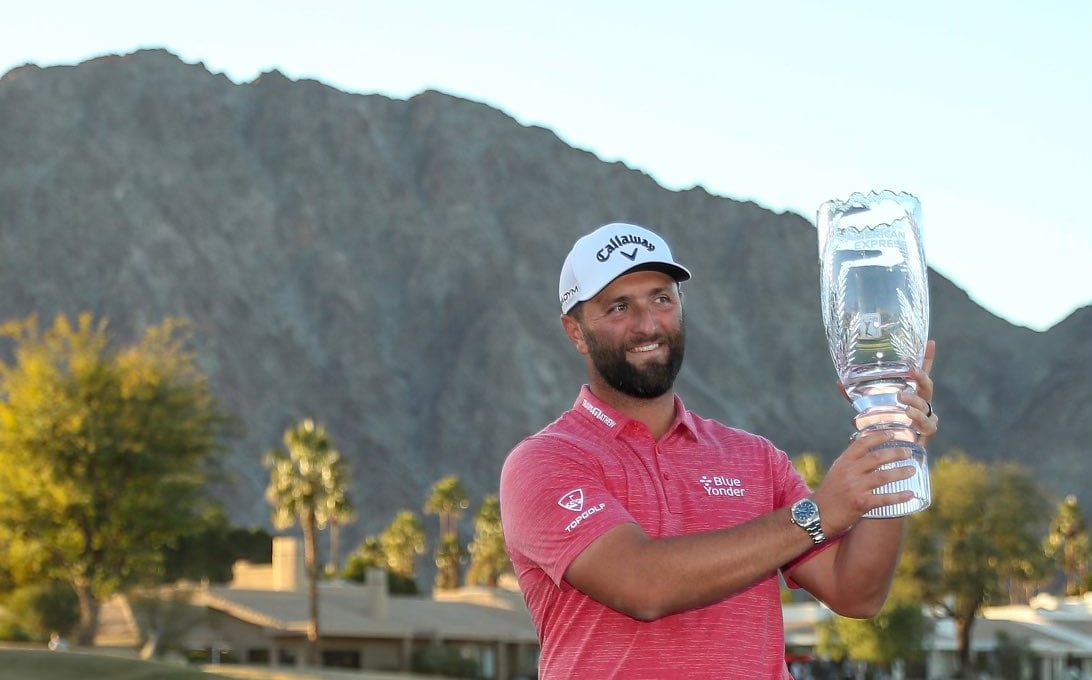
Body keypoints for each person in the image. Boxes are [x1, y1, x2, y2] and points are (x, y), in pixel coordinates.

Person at [499, 222, 939, 679]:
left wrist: (893, 443)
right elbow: (641, 584)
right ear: (575, 331)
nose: (648, 324)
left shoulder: (754, 458)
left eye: (662, 299)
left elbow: (856, 593)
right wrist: (818, 514)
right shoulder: (546, 462)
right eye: (619, 307)